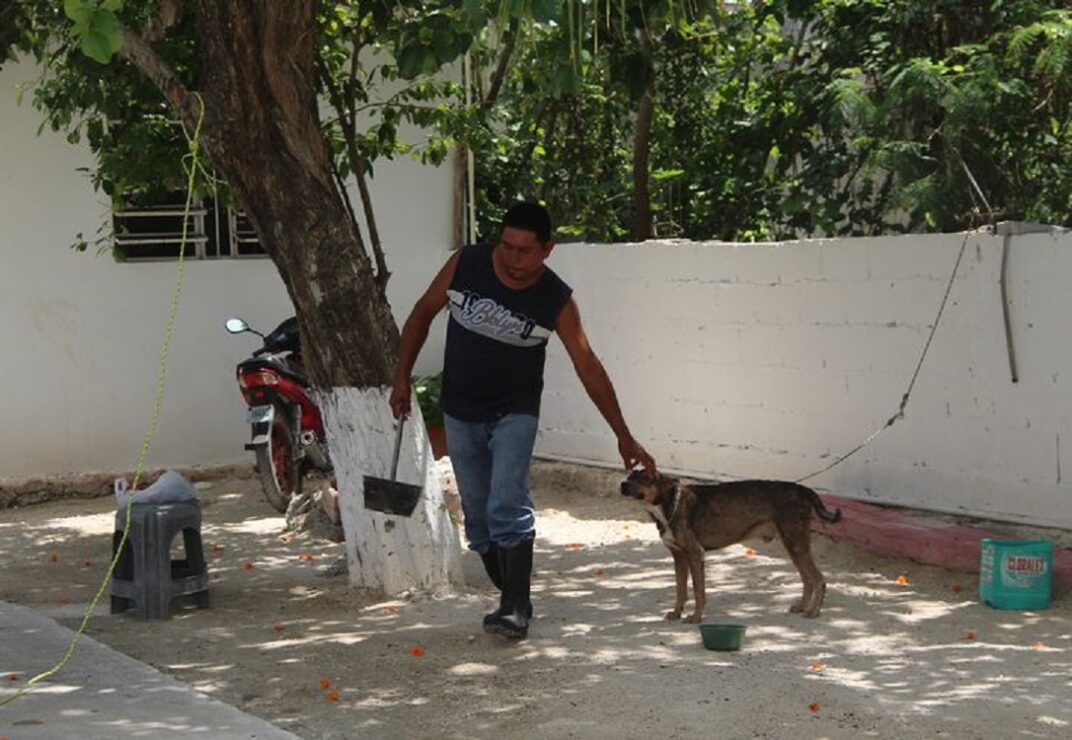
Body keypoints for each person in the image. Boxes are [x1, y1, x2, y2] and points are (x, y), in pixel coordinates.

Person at [389, 202, 656, 640]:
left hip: (515, 409)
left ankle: (514, 608)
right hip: (460, 408)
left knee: (506, 502)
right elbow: (421, 313)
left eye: (525, 251)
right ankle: (517, 594)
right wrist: (401, 378)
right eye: (507, 247)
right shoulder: (466, 263)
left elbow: (587, 364)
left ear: (547, 250)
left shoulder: (555, 299)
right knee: (478, 519)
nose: (513, 261)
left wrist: (623, 436)